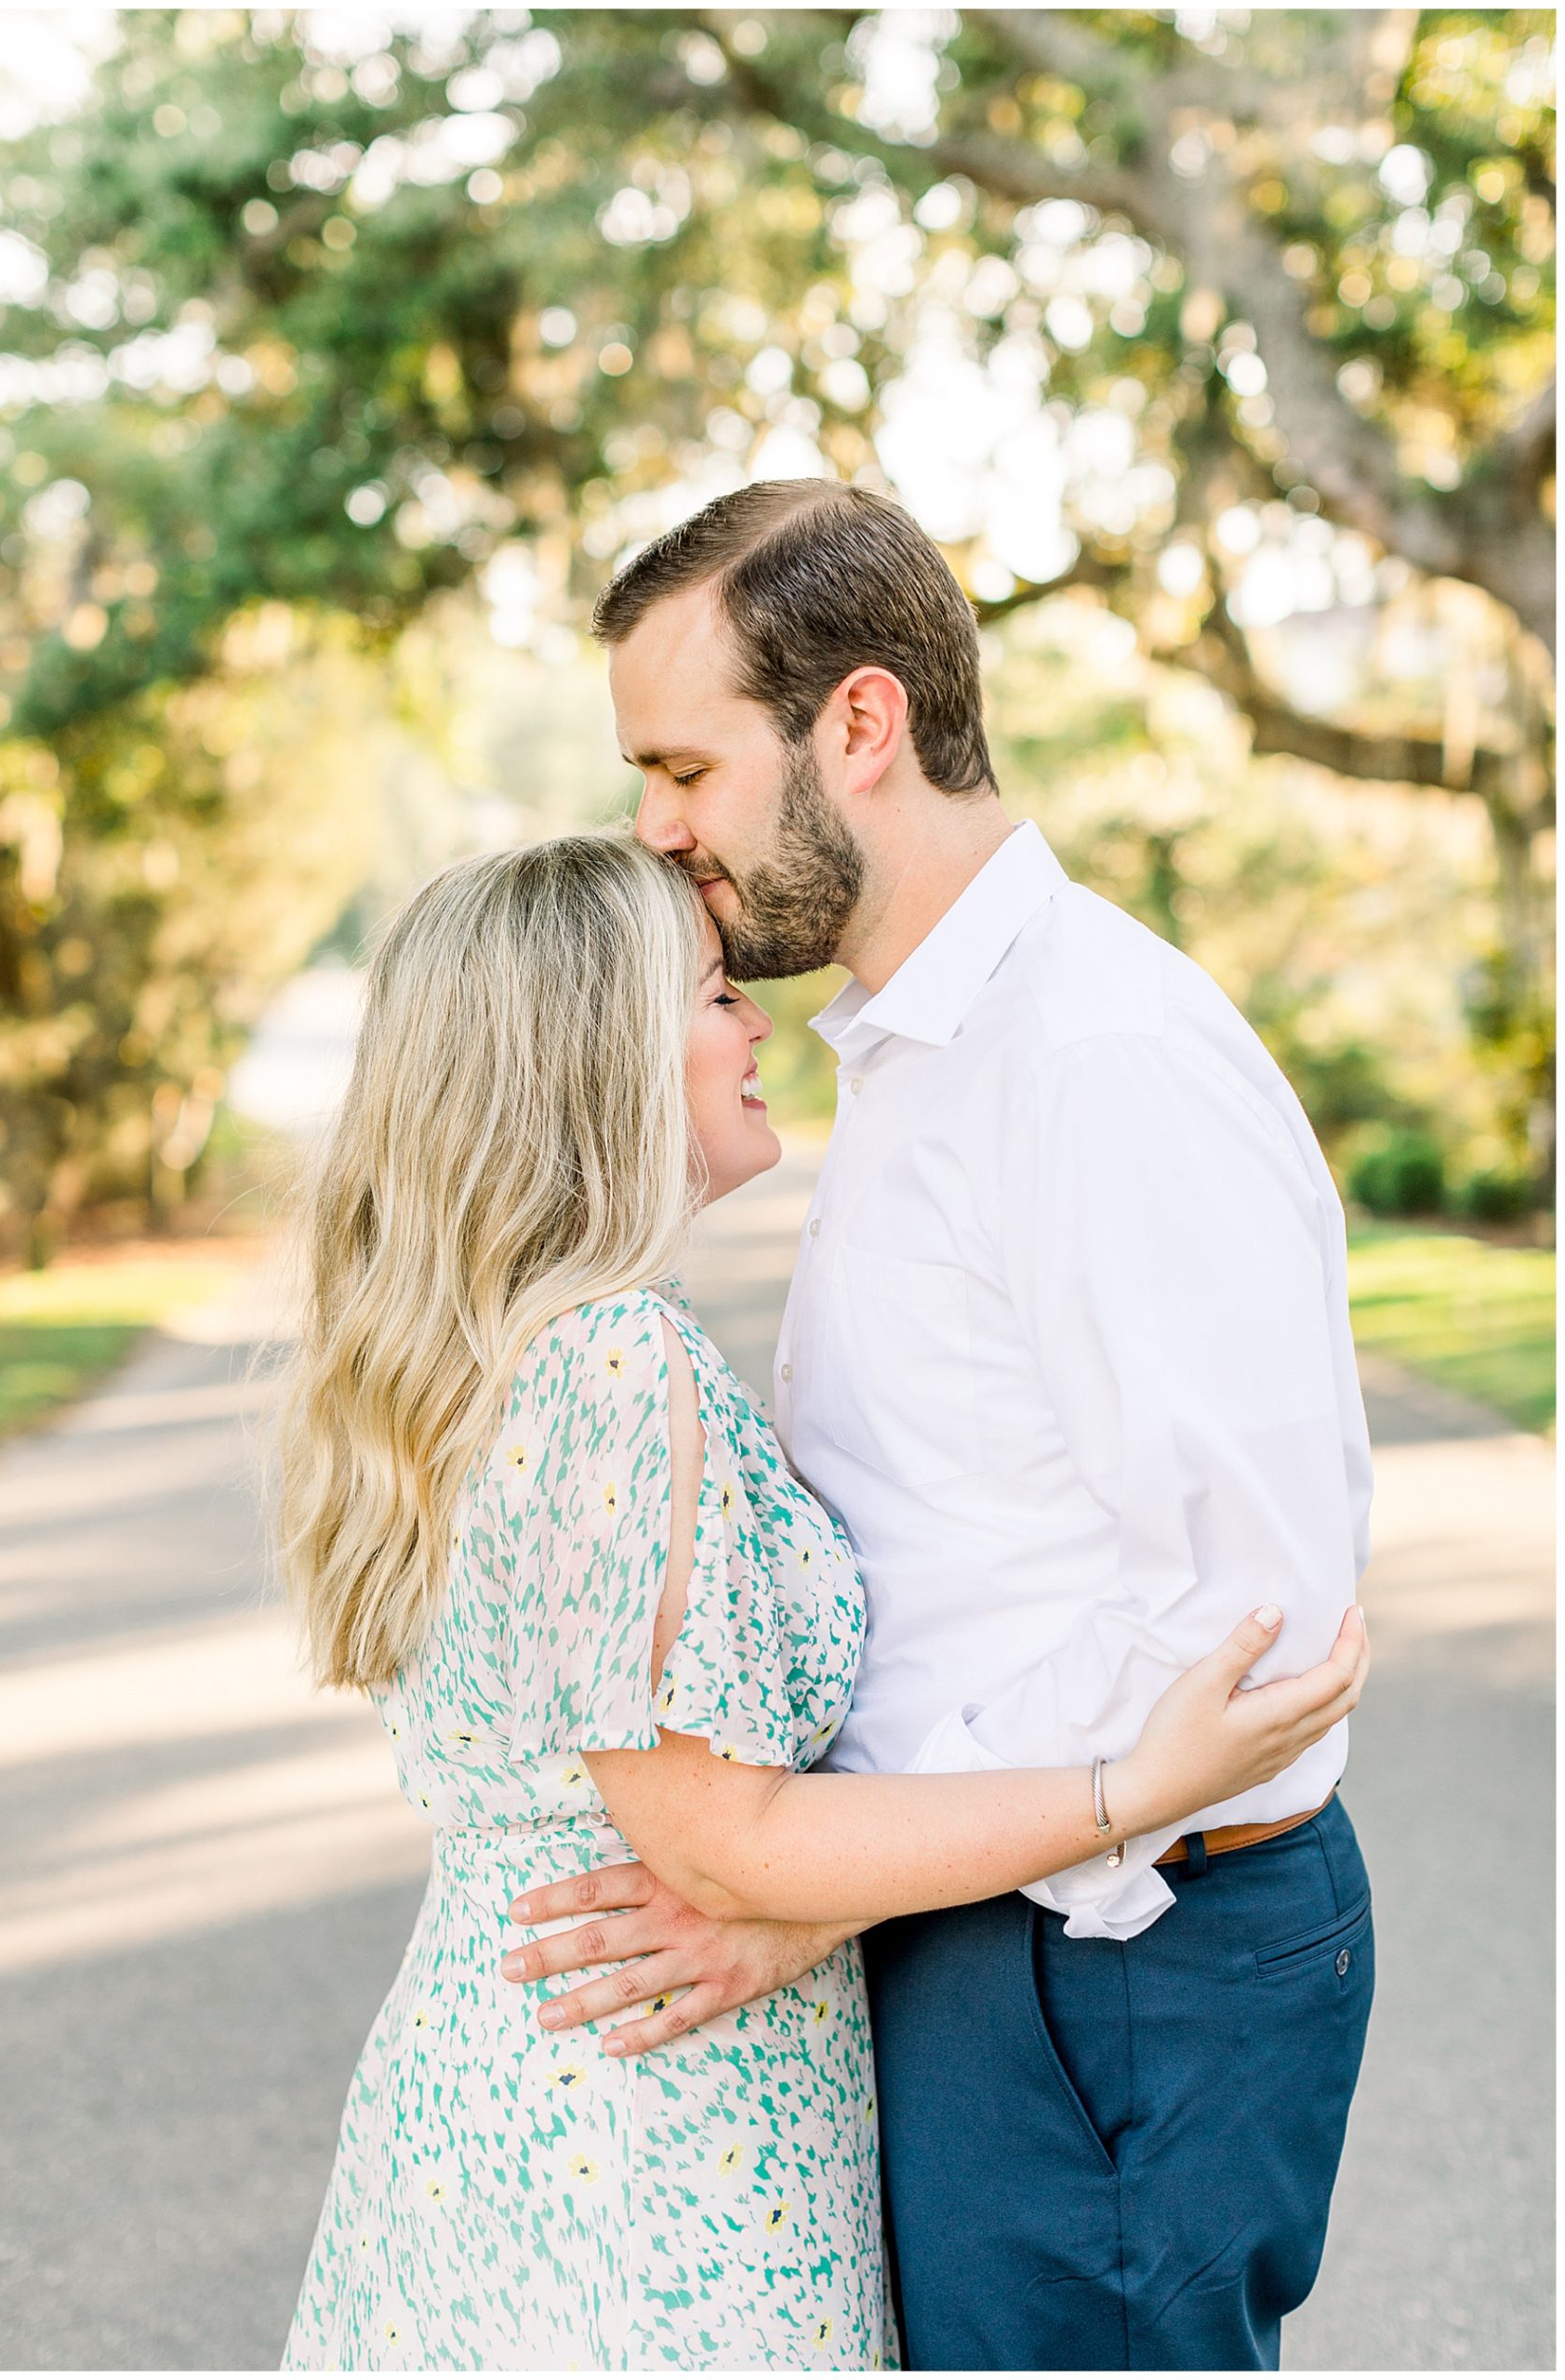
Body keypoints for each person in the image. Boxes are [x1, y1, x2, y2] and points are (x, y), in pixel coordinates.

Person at [276, 831, 1366, 2373]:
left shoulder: (507, 1355)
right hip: (642, 2135)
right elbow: (723, 1843)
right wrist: (1139, 1782)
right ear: (594, 1052)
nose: (755, 1027)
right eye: (713, 994)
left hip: (537, 2083)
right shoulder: (606, 1363)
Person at [504, 481, 1378, 2372]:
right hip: (1003, 1919)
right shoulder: (923, 1044)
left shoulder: (1093, 1057)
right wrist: (834, 1878)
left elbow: (1245, 1633)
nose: (653, 828)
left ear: (861, 725)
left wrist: (811, 1877)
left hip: (1116, 1950)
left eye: (682, 765)